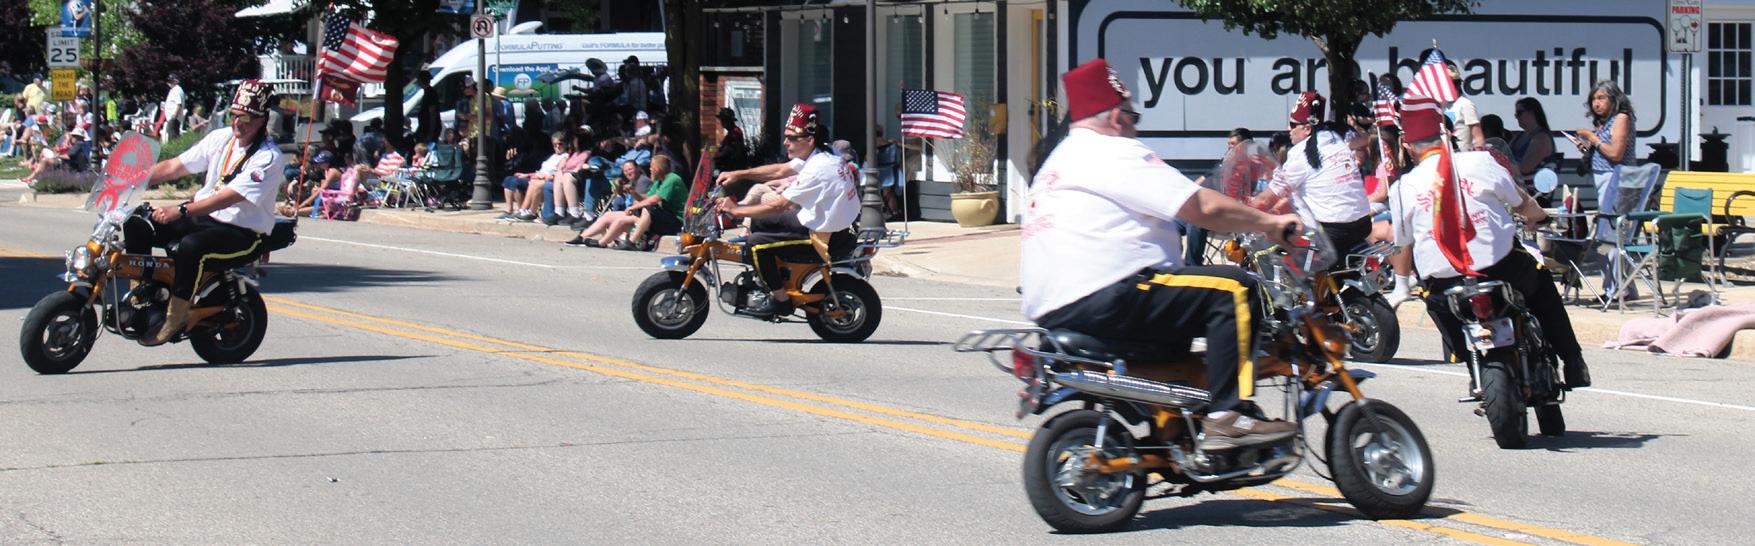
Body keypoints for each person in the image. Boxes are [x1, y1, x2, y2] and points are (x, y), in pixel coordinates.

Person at [1024, 59, 1303, 450]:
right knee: (1236, 290)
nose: (1135, 127)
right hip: (1108, 294)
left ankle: (1176, 429)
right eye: (1133, 116)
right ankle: (1228, 414)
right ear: (1116, 116)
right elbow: (1201, 207)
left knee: (1183, 316)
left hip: (1056, 308)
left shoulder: (1057, 162)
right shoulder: (1114, 151)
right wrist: (1269, 223)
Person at [1388, 94, 1591, 389]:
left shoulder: (1402, 186)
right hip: (1500, 267)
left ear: (1408, 146)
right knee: (1541, 283)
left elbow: (1402, 240)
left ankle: (1470, 366)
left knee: (1434, 303)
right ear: (1448, 134)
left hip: (1445, 281)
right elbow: (1522, 202)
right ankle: (1572, 360)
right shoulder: (1481, 160)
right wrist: (1539, 217)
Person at [138, 80, 286, 346]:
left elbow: (225, 199)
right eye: (234, 115)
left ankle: (175, 317)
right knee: (139, 223)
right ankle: (143, 293)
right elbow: (176, 166)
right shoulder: (221, 139)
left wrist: (180, 210)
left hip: (242, 232)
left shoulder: (268, 157)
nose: (237, 122)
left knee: (192, 247)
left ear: (261, 120)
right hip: (204, 219)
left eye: (246, 117)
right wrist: (135, 178)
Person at [713, 104, 861, 316]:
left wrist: (736, 211)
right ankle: (772, 275)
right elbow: (781, 170)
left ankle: (781, 300)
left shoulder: (817, 169)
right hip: (826, 221)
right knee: (759, 222)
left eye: (791, 138)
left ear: (809, 140)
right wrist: (738, 174)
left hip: (823, 235)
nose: (785, 143)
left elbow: (779, 205)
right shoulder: (823, 154)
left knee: (755, 244)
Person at [1252, 91, 1374, 255]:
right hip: (1363, 224)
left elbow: (1267, 198)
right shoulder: (1335, 138)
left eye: (1293, 125)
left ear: (1307, 128)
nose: (1288, 129)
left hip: (1331, 232)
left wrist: (1240, 214)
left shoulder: (1299, 154)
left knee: (1270, 250)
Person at [565, 155, 686, 250]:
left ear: (657, 168)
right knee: (608, 215)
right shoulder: (659, 181)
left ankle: (631, 242)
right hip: (657, 218)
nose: (649, 169)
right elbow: (647, 197)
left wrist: (634, 207)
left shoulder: (672, 179)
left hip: (675, 221)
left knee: (645, 209)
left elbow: (654, 200)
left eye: (651, 166)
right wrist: (633, 192)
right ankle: (584, 237)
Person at [715, 107, 750, 172]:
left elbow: (729, 150)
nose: (722, 123)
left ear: (728, 121)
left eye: (723, 120)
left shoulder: (735, 132)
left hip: (734, 168)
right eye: (721, 120)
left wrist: (718, 155)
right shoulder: (731, 132)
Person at [162, 74, 186, 139]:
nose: (168, 83)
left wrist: (174, 117)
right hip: (170, 118)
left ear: (175, 81)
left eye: (171, 81)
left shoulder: (177, 90)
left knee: (173, 137)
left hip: (174, 118)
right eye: (168, 81)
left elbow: (179, 104)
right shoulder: (173, 90)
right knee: (171, 136)